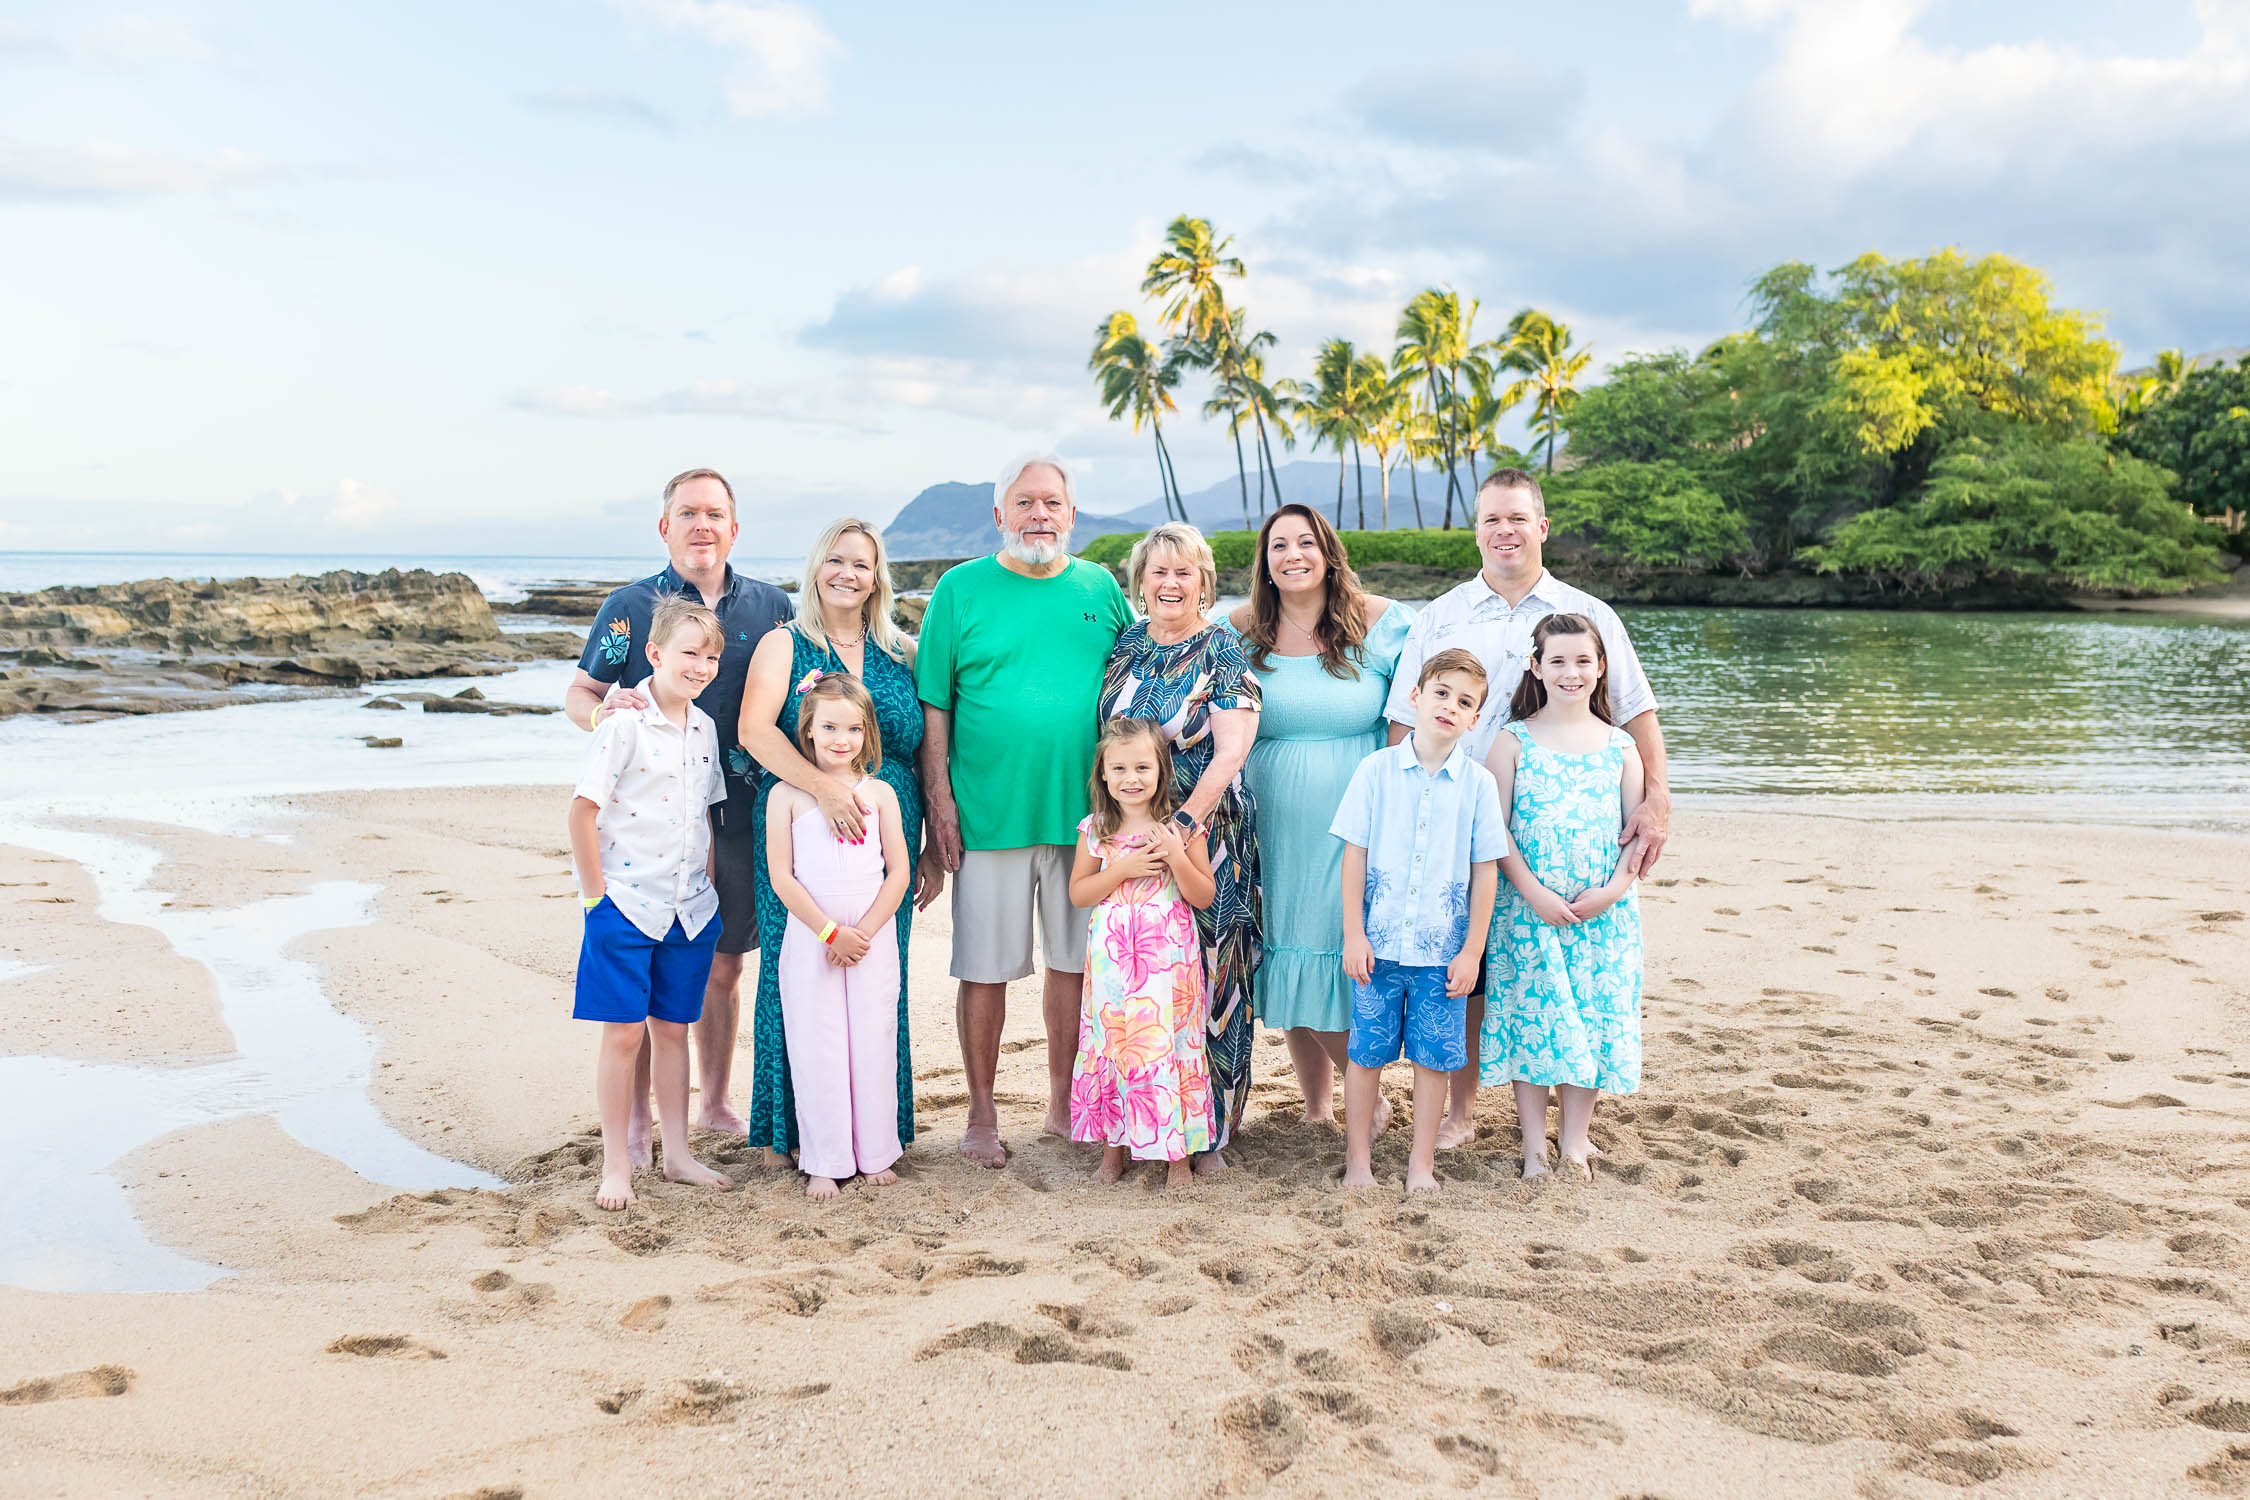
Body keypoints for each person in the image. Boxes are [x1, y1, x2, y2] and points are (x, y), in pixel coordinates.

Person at [1384, 467, 1668, 1152]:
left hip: (1549, 826)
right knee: (1465, 964)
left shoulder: (1587, 615)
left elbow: (1636, 710)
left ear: (1541, 527)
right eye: (1491, 520)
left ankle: (1561, 1118)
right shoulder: (1439, 617)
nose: (1504, 531)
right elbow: (1401, 722)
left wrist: (1656, 799)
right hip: (1450, 816)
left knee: (1542, 964)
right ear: (1476, 531)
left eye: (1517, 519)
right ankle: (1461, 1110)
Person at [565, 468, 791, 1154]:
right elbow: (580, 692)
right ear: (665, 527)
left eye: (715, 514)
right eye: (688, 513)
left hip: (742, 810)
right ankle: (636, 1120)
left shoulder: (773, 607)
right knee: (639, 981)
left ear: (734, 528)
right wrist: (606, 708)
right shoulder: (629, 608)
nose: (702, 525)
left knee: (723, 964)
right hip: (647, 822)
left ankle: (715, 1101)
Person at [917, 452, 1132, 1168]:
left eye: (1052, 503)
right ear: (999, 514)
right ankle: (981, 1114)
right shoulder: (960, 590)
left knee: (1075, 968)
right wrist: (939, 804)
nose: (1039, 515)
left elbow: (1143, 674)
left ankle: (1064, 1103)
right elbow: (935, 705)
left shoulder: (1101, 586)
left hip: (1089, 822)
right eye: (1025, 503)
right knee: (984, 968)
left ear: (1071, 515)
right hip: (988, 814)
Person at [738, 518, 931, 1171]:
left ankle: (877, 1136)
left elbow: (929, 742)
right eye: (837, 560)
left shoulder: (903, 650)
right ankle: (785, 1135)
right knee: (795, 977)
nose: (849, 574)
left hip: (888, 835)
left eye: (864, 564)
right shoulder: (783, 643)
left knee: (877, 981)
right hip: (801, 830)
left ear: (879, 578)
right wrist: (824, 788)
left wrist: (933, 834)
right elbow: (756, 731)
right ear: (817, 566)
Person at [1226, 503, 1411, 1126]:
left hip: (1352, 815)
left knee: (1332, 947)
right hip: (1268, 817)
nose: (1293, 555)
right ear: (1265, 563)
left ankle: (1372, 1099)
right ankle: (1316, 1106)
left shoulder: (1381, 623)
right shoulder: (1238, 631)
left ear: (1328, 552)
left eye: (1306, 542)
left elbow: (1417, 713)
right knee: (1284, 948)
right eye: (1279, 546)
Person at [566, 596, 741, 1211]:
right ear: (655, 653)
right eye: (689, 653)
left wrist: (710, 888)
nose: (701, 665)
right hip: (626, 905)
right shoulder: (623, 724)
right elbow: (582, 812)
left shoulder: (706, 729)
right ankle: (617, 1163)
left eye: (712, 656)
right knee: (621, 1037)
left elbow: (705, 819)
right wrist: (596, 901)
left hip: (689, 908)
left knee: (673, 1030)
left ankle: (678, 1154)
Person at [1098, 523, 1261, 1168]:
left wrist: (1185, 825)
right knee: (1143, 981)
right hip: (1132, 830)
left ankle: (1212, 1131)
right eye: (1157, 572)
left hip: (1207, 832)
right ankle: (1144, 1118)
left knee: (1215, 976)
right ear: (1139, 583)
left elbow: (1230, 753)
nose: (1170, 583)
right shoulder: (1126, 646)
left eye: (1183, 572)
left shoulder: (1222, 649)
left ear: (1204, 582)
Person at [1482, 614, 1647, 1181]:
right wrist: (1531, 890)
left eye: (1583, 661)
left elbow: (1634, 835)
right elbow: (1495, 830)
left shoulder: (1621, 746)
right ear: (1537, 667)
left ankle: (1574, 1139)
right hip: (1527, 909)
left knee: (1592, 1019)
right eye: (1558, 660)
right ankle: (1532, 1145)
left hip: (1602, 914)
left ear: (1601, 668)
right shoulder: (1512, 741)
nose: (1570, 672)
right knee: (1535, 1018)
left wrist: (1613, 891)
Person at [1335, 648, 1506, 1195]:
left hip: (1443, 954)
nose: (1449, 707)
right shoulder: (1375, 771)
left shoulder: (1478, 785)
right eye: (1441, 693)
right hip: (1378, 948)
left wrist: (1472, 950)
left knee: (1434, 1062)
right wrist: (1354, 934)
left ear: (1475, 718)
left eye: (1464, 702)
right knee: (1365, 1056)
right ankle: (1359, 1162)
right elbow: (1354, 856)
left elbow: (1485, 873)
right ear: (1416, 695)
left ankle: (1420, 1166)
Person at [764, 672, 912, 1199]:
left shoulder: (882, 794)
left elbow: (898, 871)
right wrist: (830, 932)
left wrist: (864, 933)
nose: (840, 739)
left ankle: (875, 1152)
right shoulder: (785, 796)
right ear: (808, 729)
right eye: (829, 727)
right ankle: (824, 1158)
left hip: (871, 936)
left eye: (852, 728)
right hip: (813, 936)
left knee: (872, 1040)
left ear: (866, 732)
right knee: (818, 1044)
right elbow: (781, 876)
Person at [1066, 718, 1218, 1189]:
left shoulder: (1182, 829)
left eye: (1141, 767)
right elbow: (1079, 893)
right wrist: (1125, 867)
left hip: (1168, 968)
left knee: (1167, 1047)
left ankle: (1177, 1161)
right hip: (1113, 967)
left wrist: (1174, 854)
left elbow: (1204, 895)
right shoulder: (1096, 829)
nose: (1131, 778)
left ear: (1161, 770)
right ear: (1104, 776)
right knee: (1114, 1046)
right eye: (1119, 769)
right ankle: (1113, 1156)